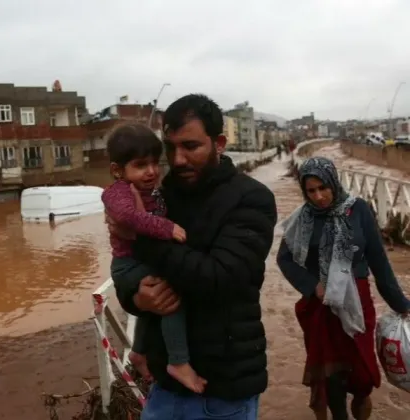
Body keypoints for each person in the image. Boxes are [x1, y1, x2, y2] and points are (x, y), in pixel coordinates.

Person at [107, 94, 278, 419]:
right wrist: (138, 299)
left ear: (220, 143)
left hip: (223, 388)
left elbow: (218, 278)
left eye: (191, 146)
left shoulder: (252, 199)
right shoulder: (162, 195)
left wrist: (142, 237)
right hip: (164, 386)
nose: (179, 159)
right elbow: (131, 276)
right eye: (171, 149)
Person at [277, 156, 410, 420]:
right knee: (332, 378)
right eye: (311, 191)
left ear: (334, 183)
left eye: (323, 188)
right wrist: (312, 285)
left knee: (363, 377)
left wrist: (403, 306)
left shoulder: (358, 210)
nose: (318, 197)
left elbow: (380, 265)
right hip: (322, 308)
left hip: (358, 304)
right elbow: (284, 258)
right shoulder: (302, 219)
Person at [102, 123, 206, 393]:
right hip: (128, 266)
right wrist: (166, 228)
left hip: (139, 262)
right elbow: (127, 217)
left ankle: (138, 353)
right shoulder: (119, 191)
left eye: (154, 163)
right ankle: (178, 362)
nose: (151, 171)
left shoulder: (149, 191)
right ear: (117, 170)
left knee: (153, 307)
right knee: (170, 297)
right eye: (140, 165)